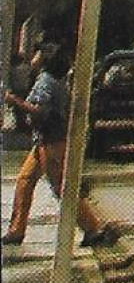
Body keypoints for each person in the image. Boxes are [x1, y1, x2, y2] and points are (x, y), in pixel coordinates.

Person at [2, 45, 118, 248]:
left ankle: (93, 228)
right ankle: (16, 230)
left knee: (61, 187)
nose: (33, 56)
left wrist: (14, 101)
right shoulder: (49, 78)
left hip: (52, 141)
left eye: (37, 53)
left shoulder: (47, 81)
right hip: (42, 140)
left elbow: (41, 111)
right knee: (25, 180)